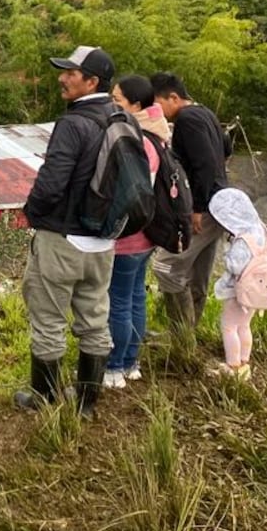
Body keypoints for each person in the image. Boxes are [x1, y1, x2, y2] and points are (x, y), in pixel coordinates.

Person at [14, 45, 119, 417]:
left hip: (63, 240)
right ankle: (87, 404)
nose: (62, 78)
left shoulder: (74, 124)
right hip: (103, 242)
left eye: (70, 73)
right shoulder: (122, 119)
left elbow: (51, 183)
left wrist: (31, 214)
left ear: (91, 82)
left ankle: (43, 400)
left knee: (48, 320)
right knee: (95, 319)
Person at [149, 72, 232, 335]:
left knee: (166, 266)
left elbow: (204, 164)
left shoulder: (187, 119)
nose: (156, 111)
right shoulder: (205, 112)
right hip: (219, 203)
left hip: (204, 207)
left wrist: (197, 208)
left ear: (173, 97)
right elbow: (226, 148)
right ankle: (187, 335)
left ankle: (180, 333)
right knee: (198, 272)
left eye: (157, 103)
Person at [104, 74, 169, 389]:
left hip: (128, 236)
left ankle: (114, 367)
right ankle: (131, 362)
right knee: (135, 298)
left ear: (136, 105)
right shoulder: (157, 134)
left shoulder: (136, 140)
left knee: (118, 302)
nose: (111, 103)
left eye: (117, 99)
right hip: (147, 234)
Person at [208, 188, 267, 379]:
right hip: (258, 291)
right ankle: (244, 362)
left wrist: (227, 252)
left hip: (238, 292)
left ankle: (233, 366)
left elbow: (235, 266)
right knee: (244, 325)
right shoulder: (262, 230)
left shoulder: (244, 239)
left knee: (229, 326)